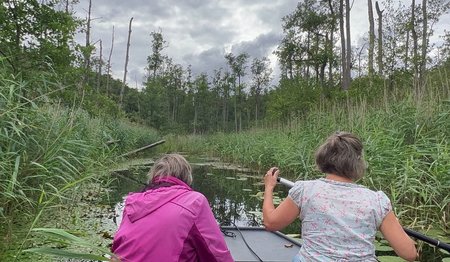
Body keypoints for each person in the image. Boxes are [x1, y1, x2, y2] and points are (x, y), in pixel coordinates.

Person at [263, 132, 417, 262]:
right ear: (358, 163)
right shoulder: (377, 201)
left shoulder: (305, 190)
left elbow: (271, 223)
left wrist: (269, 187)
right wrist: (391, 221)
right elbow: (409, 254)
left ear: (322, 159)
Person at [111, 153, 233, 262]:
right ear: (186, 177)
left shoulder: (133, 202)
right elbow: (217, 256)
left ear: (154, 176)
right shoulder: (194, 201)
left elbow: (117, 247)